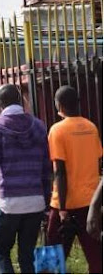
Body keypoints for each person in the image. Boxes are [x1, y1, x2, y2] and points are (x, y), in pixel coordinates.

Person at [0, 84, 51, 275]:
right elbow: (46, 168)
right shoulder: (39, 126)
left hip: (10, 203)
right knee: (27, 256)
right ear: (20, 99)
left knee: (0, 250)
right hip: (35, 202)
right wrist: (46, 202)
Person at [46, 85, 103, 274]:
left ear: (59, 105)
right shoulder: (91, 127)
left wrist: (62, 208)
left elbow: (60, 172)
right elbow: (97, 161)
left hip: (66, 204)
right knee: (97, 258)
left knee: (52, 257)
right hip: (90, 203)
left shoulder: (57, 130)